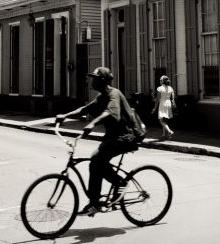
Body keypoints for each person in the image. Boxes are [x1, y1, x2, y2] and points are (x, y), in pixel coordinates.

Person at [56, 66, 139, 216]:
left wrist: (93, 123)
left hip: (127, 136)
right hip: (113, 137)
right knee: (95, 163)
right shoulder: (102, 96)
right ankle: (94, 203)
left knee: (96, 160)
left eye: (94, 78)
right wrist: (65, 115)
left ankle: (120, 183)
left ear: (101, 80)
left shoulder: (114, 93)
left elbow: (113, 113)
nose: (91, 81)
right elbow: (85, 109)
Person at [151, 75, 176, 140]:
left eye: (160, 80)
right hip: (168, 103)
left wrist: (154, 108)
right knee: (165, 120)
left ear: (162, 81)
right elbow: (173, 98)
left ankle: (170, 131)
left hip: (163, 103)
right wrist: (173, 104)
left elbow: (158, 99)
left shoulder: (160, 88)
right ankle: (164, 135)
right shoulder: (170, 88)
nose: (160, 81)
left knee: (161, 120)